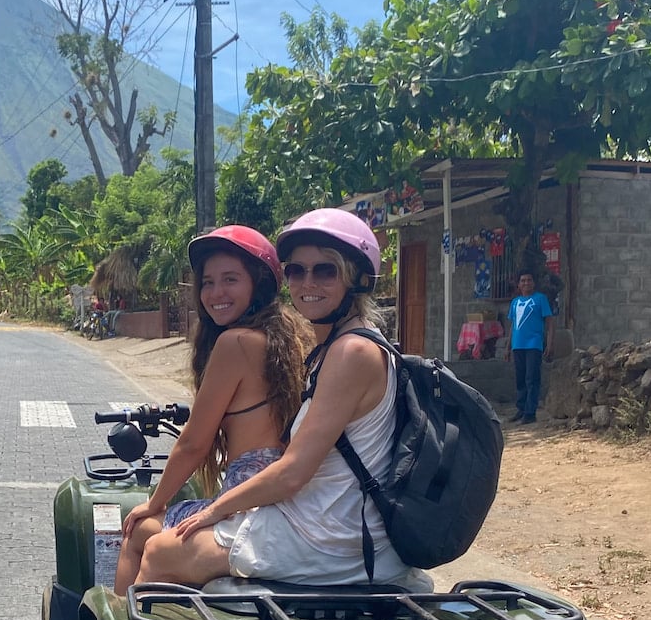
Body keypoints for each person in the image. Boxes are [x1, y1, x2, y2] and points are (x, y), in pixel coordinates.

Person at [133, 208, 433, 593]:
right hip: (328, 524)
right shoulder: (346, 343)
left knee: (159, 551)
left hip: (331, 539)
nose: (308, 282)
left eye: (325, 270)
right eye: (296, 270)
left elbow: (293, 472)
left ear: (357, 278)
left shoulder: (351, 352)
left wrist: (215, 510)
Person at [112, 225, 312, 595]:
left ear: (258, 283)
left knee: (138, 530)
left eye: (230, 279)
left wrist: (153, 503)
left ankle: (119, 615)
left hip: (244, 506)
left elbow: (193, 444)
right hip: (287, 502)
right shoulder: (291, 338)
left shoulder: (235, 343)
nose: (216, 293)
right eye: (208, 282)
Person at [503, 270, 554, 425]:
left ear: (534, 283)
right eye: (523, 281)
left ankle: (530, 412)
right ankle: (521, 408)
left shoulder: (540, 299)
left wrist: (550, 344)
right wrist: (508, 346)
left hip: (534, 344)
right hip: (518, 345)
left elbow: (550, 323)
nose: (526, 283)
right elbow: (513, 325)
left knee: (532, 378)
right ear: (518, 284)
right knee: (520, 378)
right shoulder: (515, 302)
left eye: (529, 280)